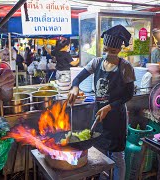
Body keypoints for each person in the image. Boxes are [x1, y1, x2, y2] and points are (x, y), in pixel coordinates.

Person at [68, 25, 135, 180]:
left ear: (118, 50)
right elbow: (78, 78)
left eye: (112, 51)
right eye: (105, 49)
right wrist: (75, 87)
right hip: (98, 115)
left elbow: (128, 94)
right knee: (100, 155)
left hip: (116, 117)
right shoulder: (96, 62)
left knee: (117, 157)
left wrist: (109, 106)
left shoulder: (125, 67)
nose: (107, 54)